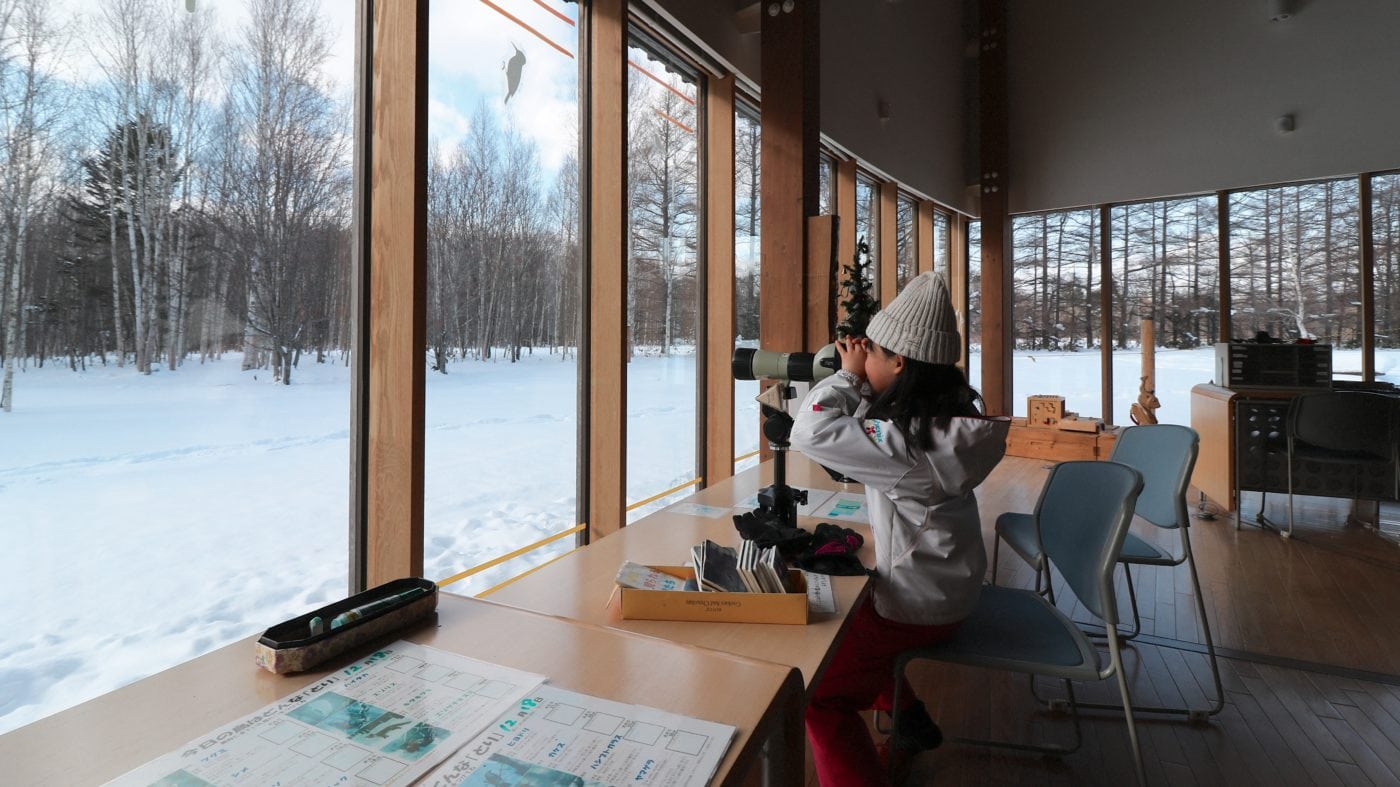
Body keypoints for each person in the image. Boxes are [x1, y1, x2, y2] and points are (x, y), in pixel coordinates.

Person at [790, 271, 1010, 786]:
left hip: (915, 607)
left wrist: (845, 377)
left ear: (899, 362)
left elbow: (813, 430)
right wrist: (864, 379)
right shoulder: (942, 429)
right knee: (853, 621)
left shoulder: (907, 447)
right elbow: (873, 437)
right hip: (947, 587)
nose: (862, 358)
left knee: (822, 698)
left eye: (872, 351)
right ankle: (911, 722)